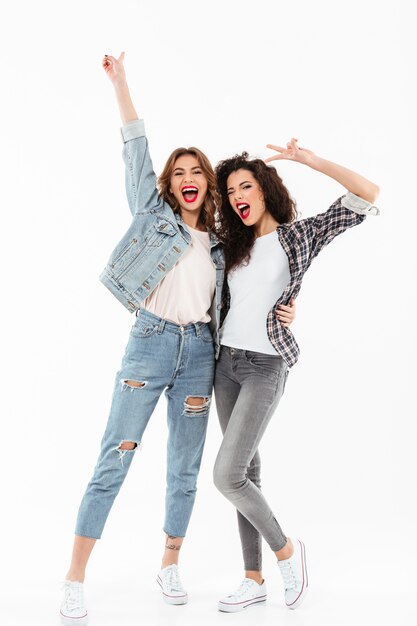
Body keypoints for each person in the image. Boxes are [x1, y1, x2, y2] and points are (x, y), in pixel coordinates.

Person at [59, 52, 297, 626]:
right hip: (150, 343)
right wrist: (121, 85)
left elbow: (257, 281)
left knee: (185, 468)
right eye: (180, 173)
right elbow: (134, 148)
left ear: (207, 185)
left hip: (200, 357)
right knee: (114, 459)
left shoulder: (221, 243)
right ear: (169, 183)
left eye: (198, 174)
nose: (190, 181)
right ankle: (74, 577)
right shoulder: (152, 214)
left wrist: (286, 309)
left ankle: (169, 565)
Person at [213, 141, 379, 612]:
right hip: (225, 364)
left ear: (265, 191)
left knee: (227, 476)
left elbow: (366, 194)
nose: (238, 195)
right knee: (246, 475)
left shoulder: (297, 236)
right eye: (231, 190)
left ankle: (287, 552)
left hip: (267, 365)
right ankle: (253, 579)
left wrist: (313, 161)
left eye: (246, 185)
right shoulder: (231, 246)